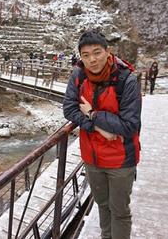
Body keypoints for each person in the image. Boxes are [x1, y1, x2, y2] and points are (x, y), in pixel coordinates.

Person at [63, 29, 141, 239]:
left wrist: (92, 114)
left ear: (108, 52)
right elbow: (69, 109)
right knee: (102, 205)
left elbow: (129, 126)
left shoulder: (127, 80)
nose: (92, 59)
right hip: (92, 158)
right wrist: (97, 127)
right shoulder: (79, 75)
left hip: (120, 160)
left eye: (96, 52)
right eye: (86, 55)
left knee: (120, 212)